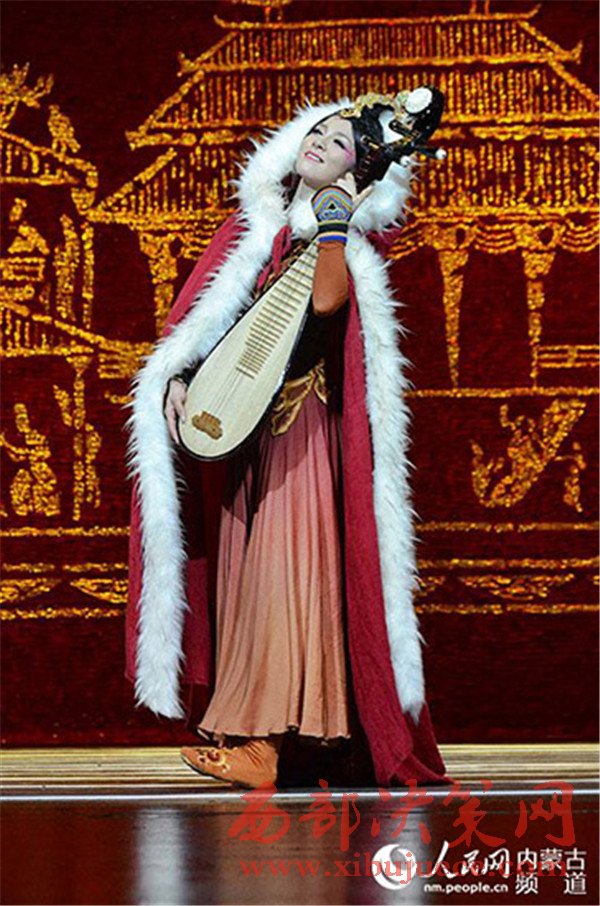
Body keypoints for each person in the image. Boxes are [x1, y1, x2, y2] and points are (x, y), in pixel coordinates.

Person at [125, 92, 452, 790]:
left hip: (302, 429)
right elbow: (209, 322)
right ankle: (252, 729)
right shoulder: (253, 232)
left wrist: (333, 223)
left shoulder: (343, 236)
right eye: (317, 131)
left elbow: (328, 303)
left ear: (358, 171)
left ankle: (268, 742)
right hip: (241, 428)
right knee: (246, 581)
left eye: (339, 143)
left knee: (284, 575)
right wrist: (179, 377)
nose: (320, 142)